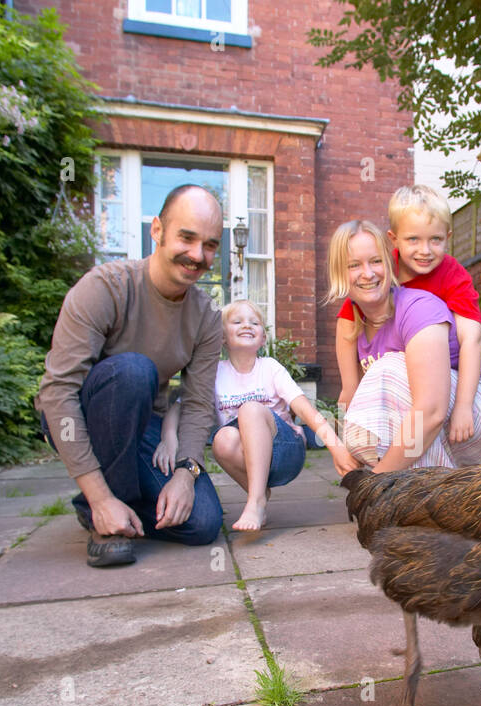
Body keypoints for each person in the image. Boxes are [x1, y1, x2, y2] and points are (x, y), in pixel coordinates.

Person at [35, 184, 225, 567]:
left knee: (203, 523)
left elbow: (199, 403)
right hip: (82, 415)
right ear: (157, 230)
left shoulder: (206, 316)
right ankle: (103, 516)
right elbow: (57, 393)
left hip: (145, 423)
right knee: (134, 371)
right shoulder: (105, 287)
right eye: (186, 238)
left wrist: (186, 473)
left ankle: (118, 502)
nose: (197, 256)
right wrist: (100, 497)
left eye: (209, 245)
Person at [335, 185, 481, 467]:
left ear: (448, 237)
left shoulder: (452, 275)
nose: (424, 251)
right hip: (432, 388)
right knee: (406, 403)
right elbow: (347, 322)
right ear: (394, 240)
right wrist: (343, 431)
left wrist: (463, 405)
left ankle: (406, 488)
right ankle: (435, 492)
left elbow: (471, 340)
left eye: (435, 240)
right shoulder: (381, 272)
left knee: (400, 376)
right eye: (413, 239)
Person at [154, 300, 343, 531]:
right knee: (222, 440)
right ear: (222, 337)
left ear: (263, 338)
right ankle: (259, 492)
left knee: (250, 409)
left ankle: (256, 502)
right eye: (237, 321)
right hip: (248, 458)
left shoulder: (270, 367)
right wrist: (169, 437)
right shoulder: (215, 374)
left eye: (255, 322)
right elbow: (180, 407)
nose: (247, 325)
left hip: (285, 452)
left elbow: (303, 407)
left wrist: (334, 445)